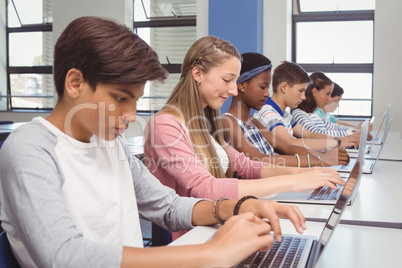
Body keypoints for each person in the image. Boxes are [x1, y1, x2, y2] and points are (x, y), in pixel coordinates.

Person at [0, 17, 308, 267]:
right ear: (76, 83)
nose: (132, 115)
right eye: (121, 99)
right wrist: (211, 253)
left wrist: (237, 207)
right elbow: (64, 256)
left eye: (135, 101)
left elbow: (168, 205)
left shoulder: (110, 144)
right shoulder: (30, 147)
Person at [143, 36, 344, 240]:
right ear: (198, 73)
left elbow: (246, 166)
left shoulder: (204, 122)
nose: (232, 90)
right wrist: (293, 181)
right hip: (193, 239)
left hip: (219, 227)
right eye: (227, 80)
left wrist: (305, 173)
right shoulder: (165, 125)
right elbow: (206, 188)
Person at [222, 52, 349, 167]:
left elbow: (287, 147)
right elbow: (258, 159)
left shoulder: (253, 121)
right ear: (242, 85)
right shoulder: (228, 121)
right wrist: (319, 160)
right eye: (262, 87)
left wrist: (321, 157)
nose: (267, 93)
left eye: (268, 88)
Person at [253, 61, 360, 151]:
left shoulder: (284, 115)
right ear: (284, 87)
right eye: (300, 91)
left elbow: (310, 135)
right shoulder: (268, 113)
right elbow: (291, 143)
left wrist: (343, 140)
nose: (304, 97)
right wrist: (337, 143)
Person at [292, 72, 373, 139]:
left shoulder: (314, 114)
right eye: (327, 94)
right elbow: (318, 133)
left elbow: (334, 127)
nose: (329, 99)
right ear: (314, 92)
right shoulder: (299, 114)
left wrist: (355, 131)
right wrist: (350, 134)